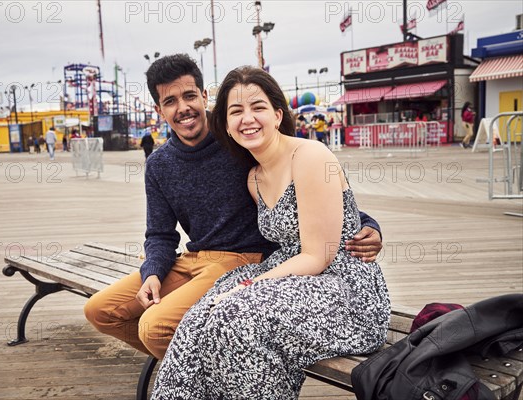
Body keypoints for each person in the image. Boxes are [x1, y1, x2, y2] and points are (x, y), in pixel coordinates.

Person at [83, 54, 384, 362]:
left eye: (189, 95)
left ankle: (208, 374)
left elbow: (299, 188)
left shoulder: (238, 141)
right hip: (193, 257)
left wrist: (367, 223)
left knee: (155, 328)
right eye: (170, 101)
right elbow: (159, 234)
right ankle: (208, 362)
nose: (183, 108)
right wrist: (152, 273)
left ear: (203, 96)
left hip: (242, 258)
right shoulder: (159, 165)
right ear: (159, 110)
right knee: (99, 310)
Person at [151, 66, 391, 399]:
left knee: (234, 316)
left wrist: (251, 285)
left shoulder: (311, 156)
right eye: (236, 111)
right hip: (292, 276)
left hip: (342, 288)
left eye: (258, 107)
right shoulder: (253, 177)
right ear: (226, 124)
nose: (247, 118)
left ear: (277, 114)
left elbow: (319, 252)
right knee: (196, 323)